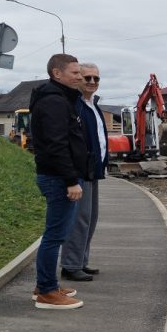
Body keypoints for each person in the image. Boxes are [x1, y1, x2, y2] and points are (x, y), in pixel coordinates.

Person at [29, 54, 88, 309]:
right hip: (58, 178)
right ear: (57, 73)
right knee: (54, 236)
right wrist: (70, 180)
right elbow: (57, 144)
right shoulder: (54, 101)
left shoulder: (59, 98)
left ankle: (45, 284)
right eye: (74, 73)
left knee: (55, 234)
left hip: (57, 176)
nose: (80, 77)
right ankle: (47, 292)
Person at [61, 63, 109, 282]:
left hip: (93, 170)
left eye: (96, 78)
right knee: (79, 220)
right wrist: (72, 175)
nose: (92, 82)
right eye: (87, 77)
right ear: (79, 78)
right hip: (80, 171)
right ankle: (71, 265)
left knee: (90, 219)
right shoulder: (75, 105)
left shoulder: (93, 105)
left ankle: (80, 261)